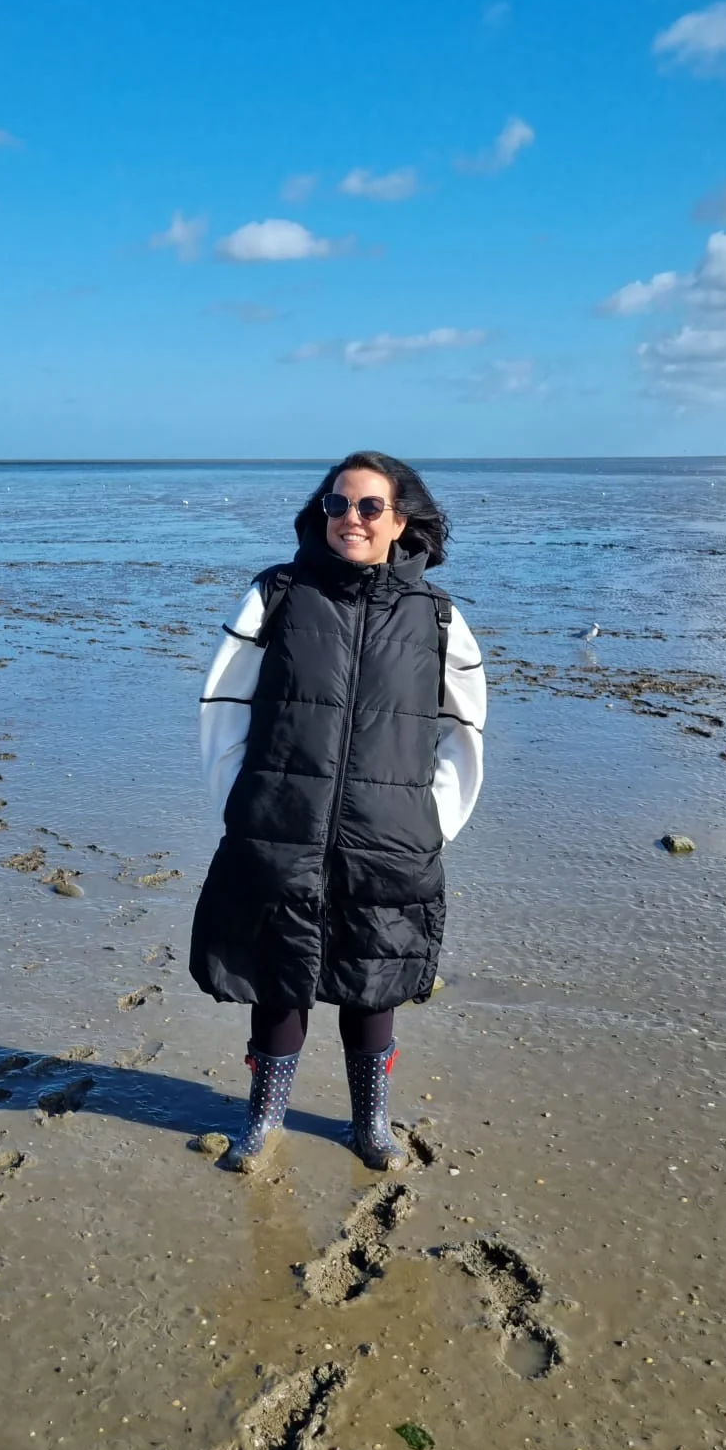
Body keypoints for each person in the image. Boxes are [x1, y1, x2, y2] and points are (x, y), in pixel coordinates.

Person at [189, 453, 487, 1173]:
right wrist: (242, 798)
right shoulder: (278, 596)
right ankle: (263, 1120)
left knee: (372, 977)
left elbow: (463, 729)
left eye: (367, 507)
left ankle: (370, 1124)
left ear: (400, 520)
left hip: (389, 836)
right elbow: (224, 705)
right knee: (278, 976)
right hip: (279, 823)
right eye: (337, 504)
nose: (349, 519)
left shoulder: (437, 614)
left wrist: (432, 821)